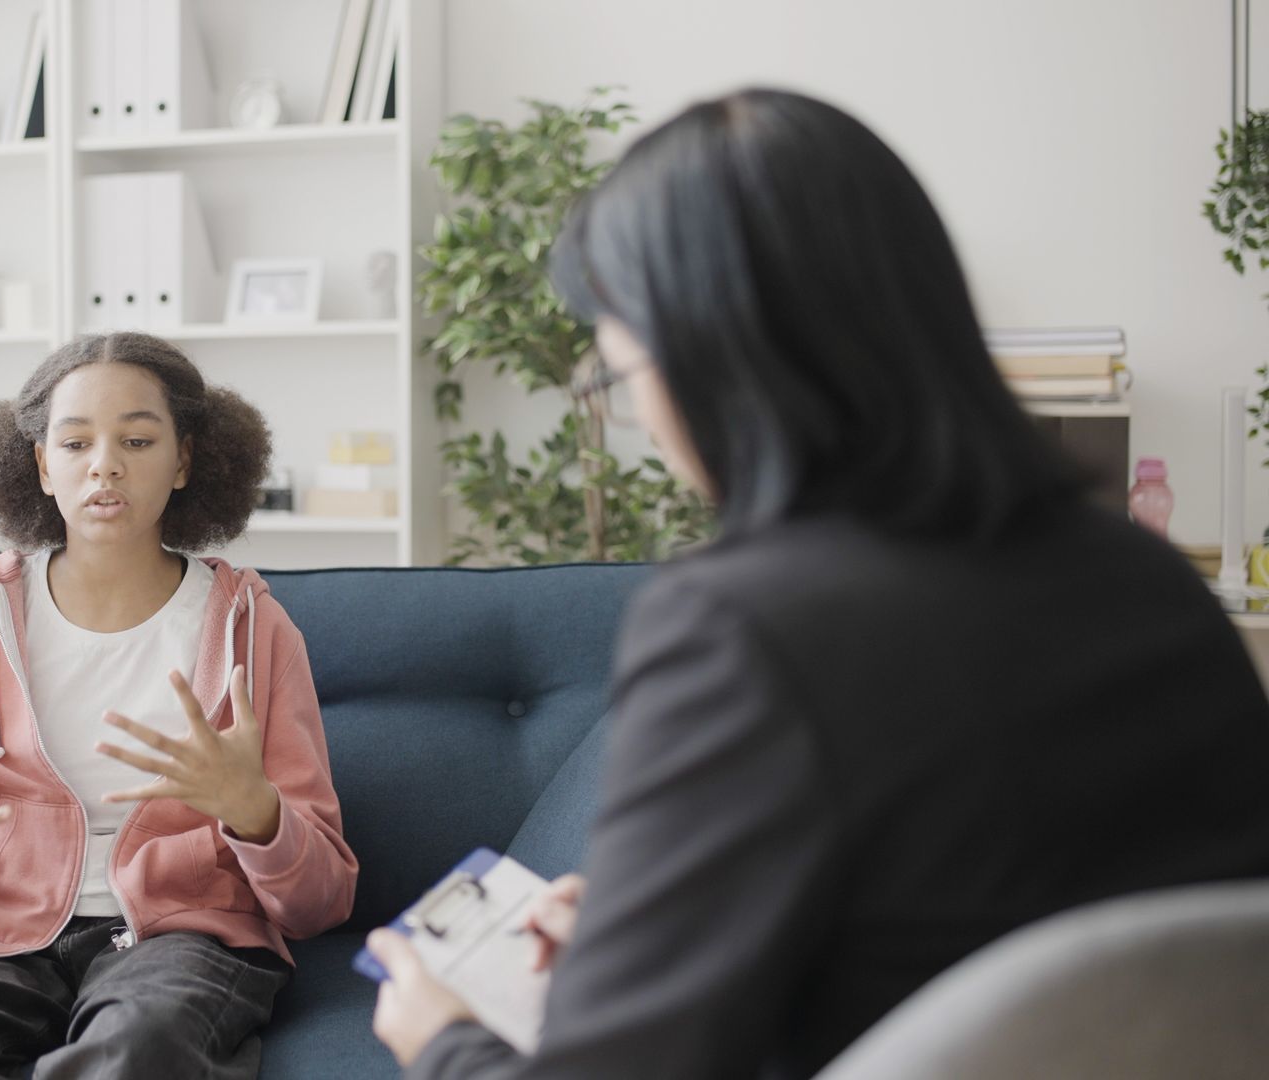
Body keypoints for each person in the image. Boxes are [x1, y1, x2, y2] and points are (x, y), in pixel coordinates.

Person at [367, 87, 1269, 1079]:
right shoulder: (1153, 586)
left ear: (707, 363)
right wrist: (660, 938)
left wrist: (444, 1041)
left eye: (621, 377)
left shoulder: (745, 633)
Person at [0, 332, 358, 1079]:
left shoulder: (252, 626)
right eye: (74, 443)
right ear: (41, 465)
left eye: (137, 438)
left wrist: (255, 813)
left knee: (141, 1053)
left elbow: (321, 900)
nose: (105, 463)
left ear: (186, 460)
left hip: (185, 939)